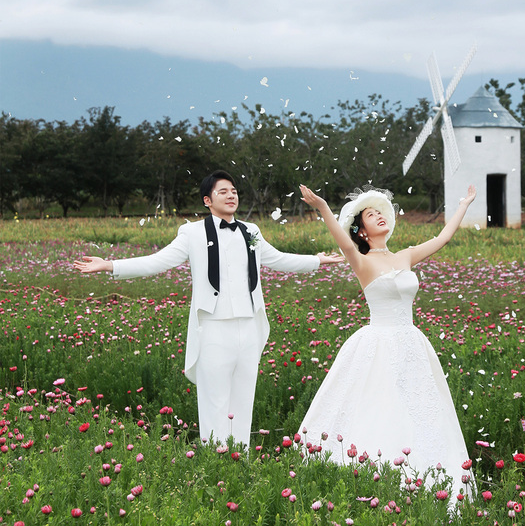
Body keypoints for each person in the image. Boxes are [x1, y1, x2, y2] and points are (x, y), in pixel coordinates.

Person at [74, 171, 343, 447]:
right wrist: (110, 265)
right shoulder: (192, 233)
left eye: (234, 191)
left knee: (243, 402)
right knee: (214, 403)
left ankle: (240, 460)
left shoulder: (251, 231)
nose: (231, 195)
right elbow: (158, 261)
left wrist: (317, 260)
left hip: (249, 327)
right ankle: (217, 460)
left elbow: (278, 259)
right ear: (207, 200)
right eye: (223, 191)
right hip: (213, 328)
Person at [297, 182, 476, 501]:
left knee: (419, 408)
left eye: (381, 212)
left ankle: (427, 476)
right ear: (361, 229)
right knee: (380, 407)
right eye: (370, 214)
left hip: (412, 343)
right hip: (378, 343)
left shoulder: (405, 256)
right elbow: (344, 243)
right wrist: (323, 207)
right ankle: (378, 475)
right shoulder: (361, 260)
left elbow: (443, 238)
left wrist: (464, 204)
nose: (380, 216)